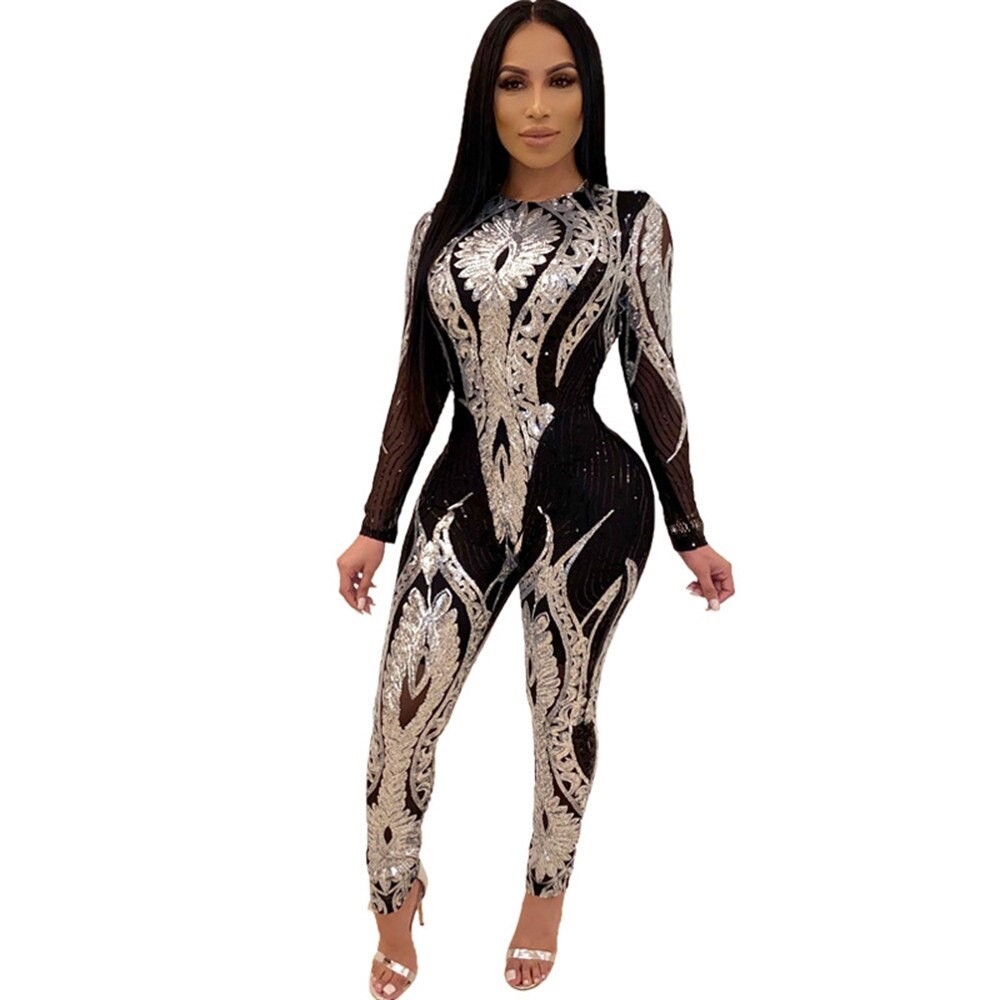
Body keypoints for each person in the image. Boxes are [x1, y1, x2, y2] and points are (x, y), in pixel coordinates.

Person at [337, 1, 735, 994]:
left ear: (589, 93)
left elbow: (653, 377)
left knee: (562, 710)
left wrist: (690, 530)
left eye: (561, 80)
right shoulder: (438, 229)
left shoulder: (631, 221)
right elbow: (416, 388)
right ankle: (393, 895)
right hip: (460, 500)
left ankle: (543, 899)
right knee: (399, 724)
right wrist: (374, 526)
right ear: (485, 98)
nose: (539, 107)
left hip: (594, 500)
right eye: (513, 84)